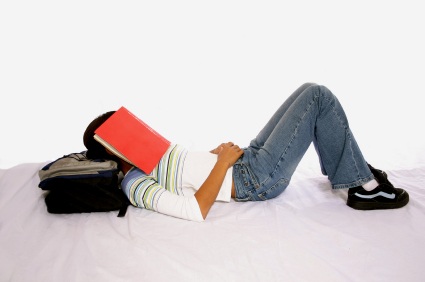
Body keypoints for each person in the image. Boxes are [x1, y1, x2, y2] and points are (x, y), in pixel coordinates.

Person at [83, 83, 409, 222]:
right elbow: (194, 210)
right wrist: (222, 164)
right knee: (318, 97)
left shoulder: (148, 155)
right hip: (254, 179)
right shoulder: (135, 184)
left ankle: (351, 172)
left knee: (306, 90)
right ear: (111, 147)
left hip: (246, 160)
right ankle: (361, 187)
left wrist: (215, 155)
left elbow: (184, 173)